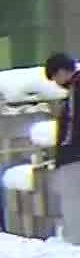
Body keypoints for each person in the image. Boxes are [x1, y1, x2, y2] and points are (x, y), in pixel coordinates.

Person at [45, 53, 80, 241]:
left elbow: (73, 123)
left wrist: (64, 151)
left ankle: (75, 239)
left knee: (73, 200)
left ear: (62, 71)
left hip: (75, 155)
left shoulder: (76, 88)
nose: (57, 83)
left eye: (55, 77)